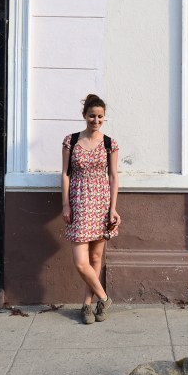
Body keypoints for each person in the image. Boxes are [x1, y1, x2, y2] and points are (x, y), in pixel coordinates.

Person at [61, 93, 121, 324]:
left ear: (104, 118)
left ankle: (88, 305)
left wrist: (113, 209)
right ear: (84, 116)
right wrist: (65, 204)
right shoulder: (71, 141)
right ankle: (105, 298)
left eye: (100, 117)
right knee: (80, 262)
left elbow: (114, 176)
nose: (95, 121)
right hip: (78, 203)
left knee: (96, 257)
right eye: (91, 116)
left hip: (101, 204)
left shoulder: (109, 143)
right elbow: (65, 174)